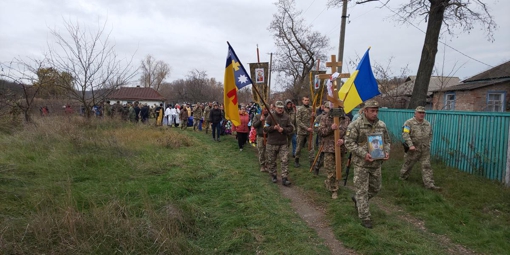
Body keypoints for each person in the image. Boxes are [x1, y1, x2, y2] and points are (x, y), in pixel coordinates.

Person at [344, 99, 390, 229]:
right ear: (365, 111)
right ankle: (365, 216)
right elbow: (349, 142)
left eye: (376, 111)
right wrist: (364, 154)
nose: (375, 113)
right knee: (362, 191)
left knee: (376, 188)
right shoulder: (356, 125)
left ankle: (358, 200)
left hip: (376, 164)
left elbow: (387, 141)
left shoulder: (381, 125)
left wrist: (386, 152)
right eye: (372, 111)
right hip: (361, 164)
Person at [400, 106, 440, 190]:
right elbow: (405, 134)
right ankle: (402, 178)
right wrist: (410, 145)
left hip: (424, 149)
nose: (422, 114)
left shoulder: (427, 123)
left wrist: (428, 143)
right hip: (413, 149)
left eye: (423, 113)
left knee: (426, 166)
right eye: (420, 113)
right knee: (408, 165)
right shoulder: (409, 123)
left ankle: (429, 184)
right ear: (415, 113)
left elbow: (430, 134)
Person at [318, 102, 350, 199]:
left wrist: (344, 140)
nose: (338, 109)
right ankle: (334, 190)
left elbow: (350, 133)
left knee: (339, 171)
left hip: (341, 148)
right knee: (330, 170)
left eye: (340, 107)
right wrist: (330, 128)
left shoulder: (346, 119)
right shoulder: (325, 118)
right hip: (329, 148)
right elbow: (320, 131)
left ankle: (329, 182)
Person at [263, 101, 294, 186]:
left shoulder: (286, 117)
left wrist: (283, 129)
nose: (280, 109)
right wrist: (273, 128)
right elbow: (265, 129)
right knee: (272, 161)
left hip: (283, 143)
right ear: (275, 108)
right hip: (271, 143)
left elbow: (291, 128)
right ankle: (273, 175)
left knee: (285, 160)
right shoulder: (270, 117)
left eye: (281, 108)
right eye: (278, 108)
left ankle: (284, 178)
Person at [294, 96, 315, 168]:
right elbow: (298, 121)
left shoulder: (311, 109)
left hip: (310, 131)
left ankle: (312, 162)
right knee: (299, 146)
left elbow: (315, 119)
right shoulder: (300, 109)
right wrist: (306, 128)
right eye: (305, 100)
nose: (307, 101)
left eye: (308, 100)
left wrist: (314, 116)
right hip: (302, 131)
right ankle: (296, 159)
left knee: (311, 147)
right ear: (302, 101)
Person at [252, 107, 269, 172]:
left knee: (268, 152)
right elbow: (254, 125)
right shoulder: (257, 116)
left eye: (267, 109)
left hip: (268, 137)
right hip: (260, 136)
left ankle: (267, 165)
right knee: (261, 151)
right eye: (265, 109)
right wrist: (260, 120)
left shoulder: (270, 116)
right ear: (262, 109)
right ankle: (262, 165)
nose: (266, 110)